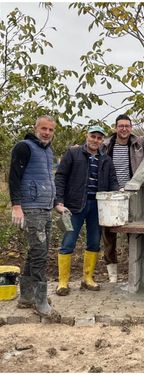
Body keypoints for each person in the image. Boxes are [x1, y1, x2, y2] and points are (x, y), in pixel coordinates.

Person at [54, 125, 119, 296]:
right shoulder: (73, 154)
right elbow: (60, 177)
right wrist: (59, 201)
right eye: (93, 136)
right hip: (73, 206)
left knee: (94, 242)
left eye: (99, 138)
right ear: (87, 136)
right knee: (68, 242)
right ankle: (63, 282)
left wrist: (117, 194)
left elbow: (113, 181)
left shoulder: (106, 160)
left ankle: (87, 279)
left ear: (102, 140)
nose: (95, 140)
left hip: (97, 207)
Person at [9, 115, 60, 319]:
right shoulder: (24, 147)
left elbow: (49, 180)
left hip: (45, 208)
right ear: (35, 128)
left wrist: (56, 204)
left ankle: (26, 296)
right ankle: (40, 303)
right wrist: (16, 206)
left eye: (50, 130)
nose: (47, 132)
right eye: (44, 128)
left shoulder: (48, 152)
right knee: (40, 254)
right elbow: (13, 177)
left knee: (35, 251)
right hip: (31, 208)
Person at [100, 114, 144, 282]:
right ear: (116, 128)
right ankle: (113, 275)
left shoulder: (139, 144)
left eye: (127, 126)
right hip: (111, 194)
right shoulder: (106, 146)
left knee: (134, 233)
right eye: (120, 126)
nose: (124, 129)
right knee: (108, 235)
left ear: (131, 128)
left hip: (133, 194)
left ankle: (135, 272)